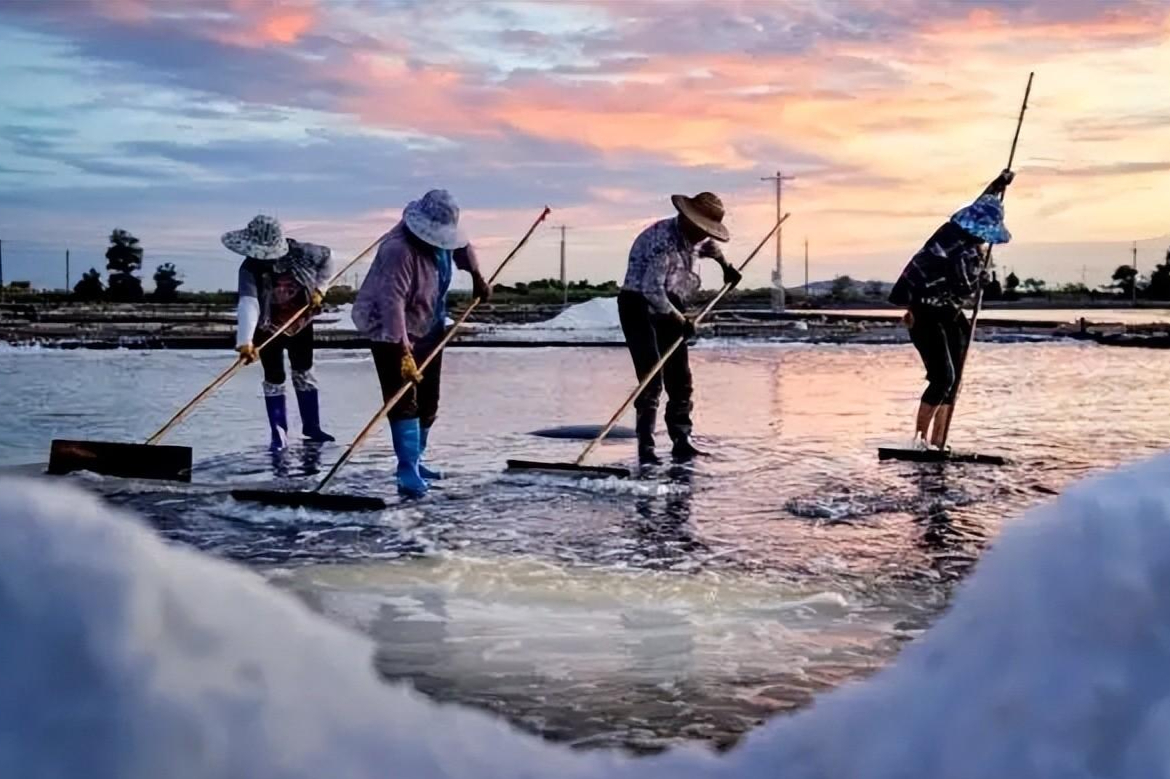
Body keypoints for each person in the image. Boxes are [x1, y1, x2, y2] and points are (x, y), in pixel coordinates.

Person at [351, 189, 490, 498]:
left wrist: (478, 278)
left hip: (430, 322)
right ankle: (406, 469)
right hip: (390, 330)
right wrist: (402, 352)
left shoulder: (445, 241)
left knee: (429, 400)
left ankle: (418, 459)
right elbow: (392, 304)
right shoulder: (398, 250)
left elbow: (463, 249)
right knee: (404, 400)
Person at [889, 170, 1015, 450]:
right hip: (925, 313)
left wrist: (997, 184)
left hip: (949, 314)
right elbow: (965, 287)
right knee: (943, 377)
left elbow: (980, 204)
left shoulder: (955, 230)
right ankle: (920, 442)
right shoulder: (962, 252)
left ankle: (938, 441)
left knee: (954, 379)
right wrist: (982, 279)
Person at [618, 192, 742, 464]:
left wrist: (726, 267)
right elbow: (652, 291)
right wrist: (679, 321)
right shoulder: (663, 243)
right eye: (700, 229)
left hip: (670, 302)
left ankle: (682, 440)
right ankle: (646, 449)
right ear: (687, 220)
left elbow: (710, 246)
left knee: (681, 378)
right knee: (651, 379)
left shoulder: (697, 236)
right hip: (639, 303)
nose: (703, 235)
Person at [224, 214, 335, 451]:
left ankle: (311, 427)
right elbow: (249, 302)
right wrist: (245, 342)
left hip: (300, 321)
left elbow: (328, 258)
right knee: (274, 377)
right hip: (268, 327)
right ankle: (279, 433)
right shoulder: (249, 268)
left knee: (304, 371)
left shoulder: (302, 252)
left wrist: (320, 289)